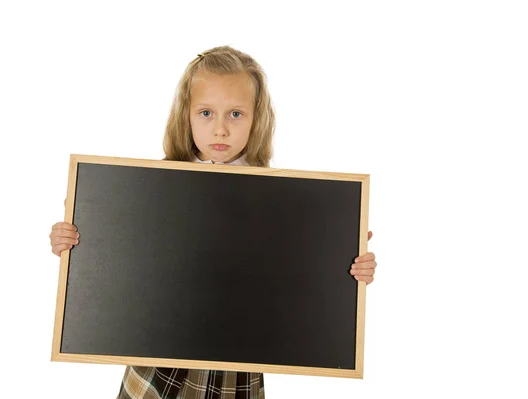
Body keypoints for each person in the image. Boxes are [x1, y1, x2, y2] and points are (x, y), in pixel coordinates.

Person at [49, 45, 378, 399]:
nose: (220, 129)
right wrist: (71, 240)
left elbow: (299, 279)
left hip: (236, 361)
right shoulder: (148, 190)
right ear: (186, 116)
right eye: (206, 112)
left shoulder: (280, 201)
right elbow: (118, 259)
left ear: (257, 119)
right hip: (157, 356)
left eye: (236, 114)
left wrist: (348, 267)